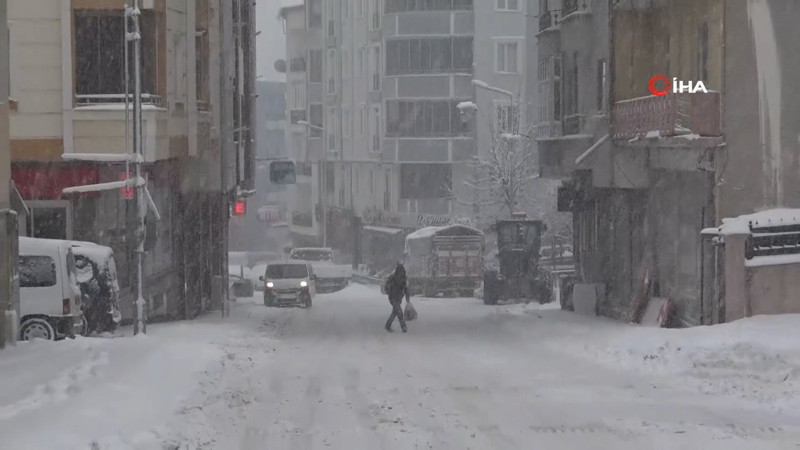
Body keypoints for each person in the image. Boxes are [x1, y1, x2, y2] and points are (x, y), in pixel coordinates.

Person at [384, 263, 410, 333]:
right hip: (393, 298)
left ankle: (388, 325)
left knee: (395, 312)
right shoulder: (393, 278)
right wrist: (407, 298)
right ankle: (403, 327)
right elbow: (406, 289)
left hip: (396, 298)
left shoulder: (402, 279)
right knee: (399, 312)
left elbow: (406, 289)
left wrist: (407, 299)